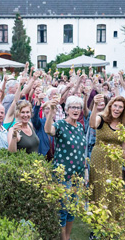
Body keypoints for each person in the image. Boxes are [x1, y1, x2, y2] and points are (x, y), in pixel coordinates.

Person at [44, 95, 86, 240]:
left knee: (72, 210)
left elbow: (81, 151)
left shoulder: (80, 126)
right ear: (67, 109)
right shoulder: (60, 125)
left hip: (78, 176)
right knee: (62, 209)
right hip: (63, 176)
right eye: (72, 107)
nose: (76, 110)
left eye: (78, 107)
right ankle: (63, 238)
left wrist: (84, 172)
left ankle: (67, 237)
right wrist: (51, 112)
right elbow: (48, 130)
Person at [89, 95, 125, 220]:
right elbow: (91, 124)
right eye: (115, 106)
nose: (117, 109)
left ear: (123, 110)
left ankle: (112, 223)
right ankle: (96, 225)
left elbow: (124, 147)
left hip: (115, 162)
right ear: (110, 106)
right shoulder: (101, 118)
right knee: (99, 189)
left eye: (120, 107)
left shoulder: (123, 125)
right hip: (99, 158)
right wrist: (95, 105)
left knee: (114, 190)